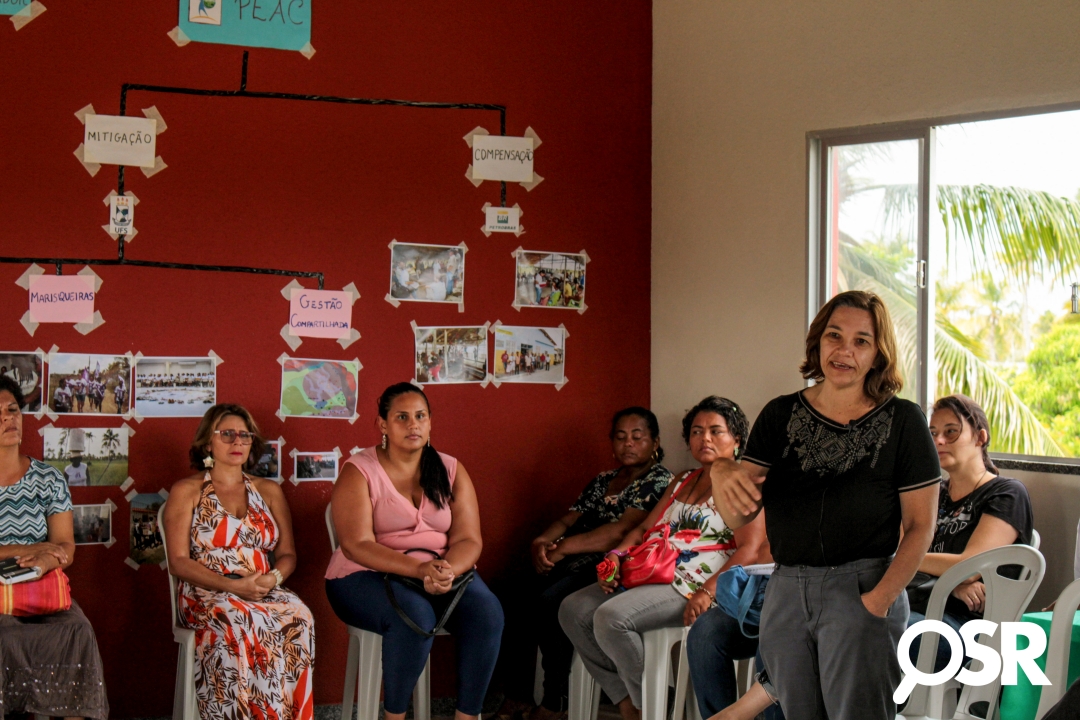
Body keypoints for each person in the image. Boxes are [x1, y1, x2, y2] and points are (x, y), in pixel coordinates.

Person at [712, 290, 940, 720]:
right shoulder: (779, 415)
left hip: (863, 588)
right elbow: (738, 513)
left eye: (861, 341)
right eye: (834, 335)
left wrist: (878, 603)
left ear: (878, 354)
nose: (844, 350)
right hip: (786, 591)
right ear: (818, 341)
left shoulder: (904, 421)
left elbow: (920, 527)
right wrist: (721, 469)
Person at [559, 397, 763, 720]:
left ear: (736, 439)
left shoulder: (743, 484)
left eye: (716, 431)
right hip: (651, 570)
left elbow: (750, 549)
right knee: (572, 609)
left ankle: (654, 707)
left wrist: (707, 591)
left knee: (611, 618)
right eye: (697, 431)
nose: (705, 438)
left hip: (692, 583)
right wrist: (615, 557)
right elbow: (643, 529)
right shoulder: (682, 480)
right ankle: (630, 701)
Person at [326, 382, 504, 720]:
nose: (413, 424)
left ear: (430, 421)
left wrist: (447, 570)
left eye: (420, 416)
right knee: (414, 617)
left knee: (487, 613)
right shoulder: (359, 470)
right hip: (365, 576)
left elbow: (469, 539)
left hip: (439, 571)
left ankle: (467, 717)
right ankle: (394, 717)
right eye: (402, 417)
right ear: (382, 424)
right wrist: (420, 571)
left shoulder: (451, 469)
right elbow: (356, 544)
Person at [494, 407, 675, 720]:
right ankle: (518, 695)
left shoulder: (659, 480)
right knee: (509, 594)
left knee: (552, 601)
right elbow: (569, 519)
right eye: (621, 437)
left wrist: (562, 549)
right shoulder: (604, 479)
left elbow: (619, 532)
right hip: (572, 556)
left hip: (611, 564)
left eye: (637, 437)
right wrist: (541, 542)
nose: (628, 444)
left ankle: (555, 701)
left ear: (655, 442)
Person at [163, 403, 315, 720]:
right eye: (227, 434)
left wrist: (272, 579)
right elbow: (178, 562)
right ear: (208, 442)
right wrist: (232, 586)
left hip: (260, 587)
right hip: (206, 591)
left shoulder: (268, 490)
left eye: (245, 435)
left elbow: (288, 555)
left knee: (300, 615)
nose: (237, 442)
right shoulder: (187, 490)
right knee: (238, 617)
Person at [0, 375, 109, 720]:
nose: (8, 419)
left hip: (41, 589)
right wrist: (32, 548)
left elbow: (65, 548)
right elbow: (49, 544)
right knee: (4, 636)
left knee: (77, 630)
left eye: (12, 410)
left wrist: (47, 559)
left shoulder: (49, 478)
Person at [906, 394, 1033, 670]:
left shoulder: (1006, 493)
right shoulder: (932, 494)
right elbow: (892, 552)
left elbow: (971, 566)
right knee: (842, 622)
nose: (939, 441)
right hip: (919, 607)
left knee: (877, 630)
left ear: (980, 437)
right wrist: (954, 583)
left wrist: (910, 560)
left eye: (951, 432)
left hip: (970, 629)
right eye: (933, 433)